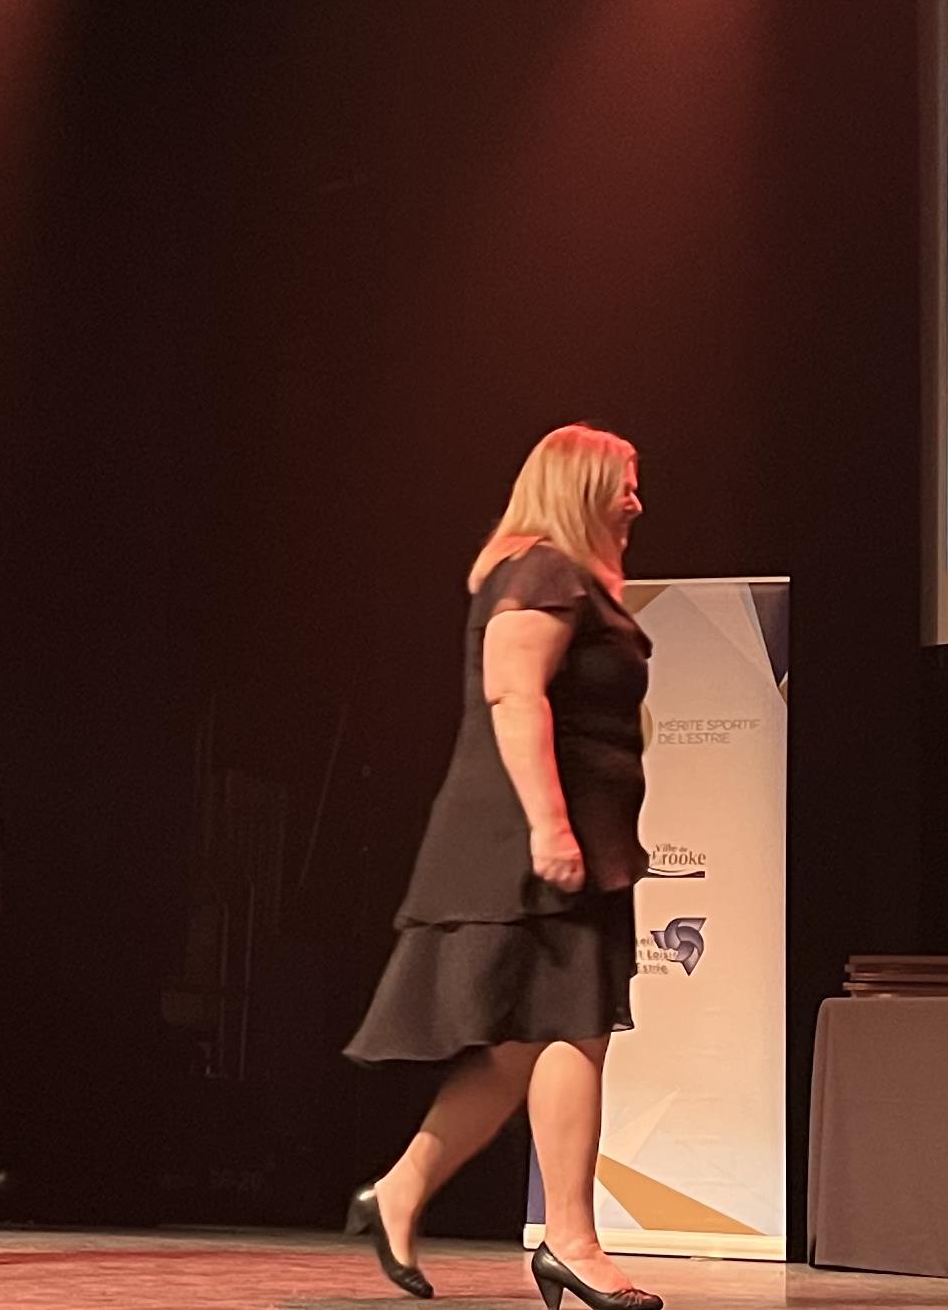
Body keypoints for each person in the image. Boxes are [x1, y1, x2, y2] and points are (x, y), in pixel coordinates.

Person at [343, 424, 662, 1310]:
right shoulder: (546, 571)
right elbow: (512, 694)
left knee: (521, 1047)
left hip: (573, 843)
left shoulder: (560, 574)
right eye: (625, 483)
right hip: (537, 845)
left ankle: (400, 1190)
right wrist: (551, 829)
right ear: (581, 487)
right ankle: (572, 1239)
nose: (638, 500)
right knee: (574, 1028)